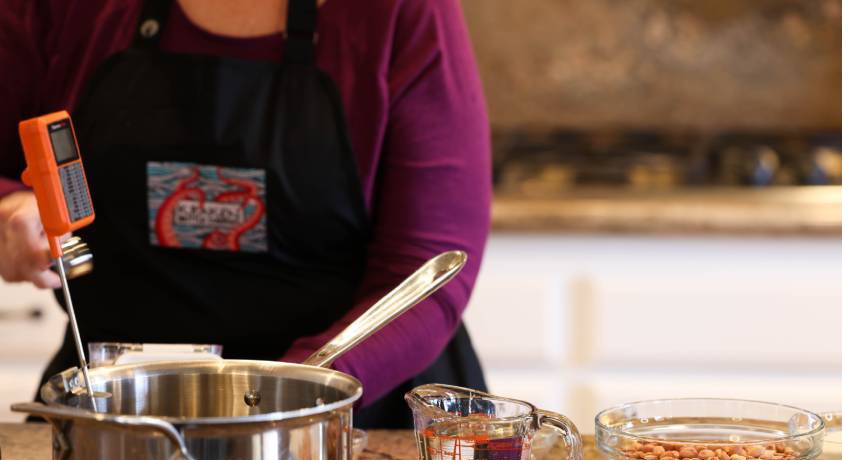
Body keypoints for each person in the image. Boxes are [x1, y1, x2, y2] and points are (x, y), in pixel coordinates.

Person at [0, 0, 491, 427]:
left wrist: (294, 400)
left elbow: (428, 263)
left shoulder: (399, 10)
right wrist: (9, 209)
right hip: (113, 421)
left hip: (353, 424)